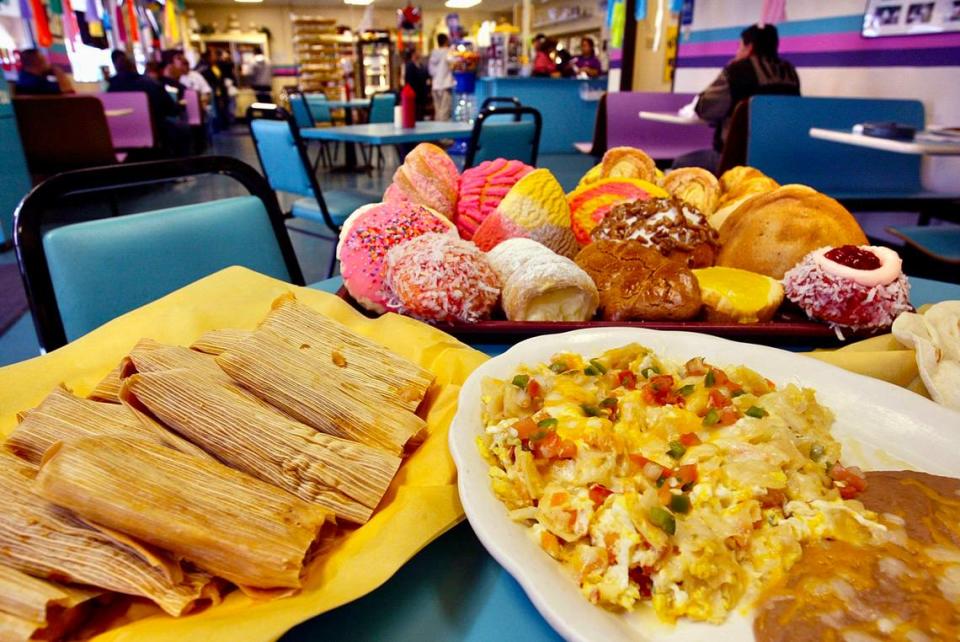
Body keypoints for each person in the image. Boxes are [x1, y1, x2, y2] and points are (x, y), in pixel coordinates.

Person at [675, 23, 800, 173]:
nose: (737, 51)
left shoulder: (737, 71)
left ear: (750, 48)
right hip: (779, 159)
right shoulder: (790, 72)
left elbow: (704, 108)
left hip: (736, 161)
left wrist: (729, 69)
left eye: (739, 46)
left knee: (679, 164)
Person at [428, 34, 454, 121]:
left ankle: (437, 132)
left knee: (438, 112)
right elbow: (454, 63)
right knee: (444, 112)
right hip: (446, 85)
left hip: (435, 86)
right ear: (446, 41)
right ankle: (443, 133)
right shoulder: (449, 52)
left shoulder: (433, 54)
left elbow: (431, 71)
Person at [401, 48, 428, 120]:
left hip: (422, 94)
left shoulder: (420, 65)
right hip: (414, 93)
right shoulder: (410, 66)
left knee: (421, 113)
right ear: (413, 54)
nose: (419, 53)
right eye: (417, 52)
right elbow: (409, 80)